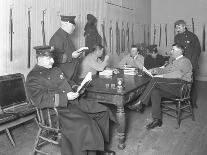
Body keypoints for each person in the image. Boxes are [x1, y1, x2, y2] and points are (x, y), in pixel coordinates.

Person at [26, 45, 116, 155]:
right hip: (55, 111)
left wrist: (77, 88)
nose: (53, 61)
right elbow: (40, 100)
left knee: (103, 111)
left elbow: (69, 83)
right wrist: (65, 97)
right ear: (39, 59)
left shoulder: (55, 70)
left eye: (52, 58)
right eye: (48, 59)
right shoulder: (33, 77)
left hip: (72, 103)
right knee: (86, 124)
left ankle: (99, 148)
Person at [128, 43, 193, 129]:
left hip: (182, 88)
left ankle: (140, 102)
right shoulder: (174, 61)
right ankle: (157, 119)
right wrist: (155, 70)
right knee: (155, 92)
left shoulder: (185, 61)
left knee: (155, 80)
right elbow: (164, 70)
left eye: (173, 50)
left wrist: (161, 76)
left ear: (179, 51)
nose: (171, 51)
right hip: (174, 86)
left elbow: (178, 74)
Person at [49, 15, 88, 82]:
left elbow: (67, 52)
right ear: (65, 24)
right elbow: (54, 57)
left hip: (70, 74)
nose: (74, 28)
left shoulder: (65, 36)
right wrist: (72, 56)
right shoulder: (58, 37)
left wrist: (76, 54)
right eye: (72, 26)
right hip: (63, 75)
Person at [174, 20, 201, 108]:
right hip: (180, 63)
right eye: (176, 28)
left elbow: (198, 51)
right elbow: (177, 51)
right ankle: (181, 100)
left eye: (179, 27)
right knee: (179, 82)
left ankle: (193, 102)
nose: (178, 30)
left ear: (184, 26)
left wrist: (191, 63)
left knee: (191, 83)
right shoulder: (177, 37)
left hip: (191, 63)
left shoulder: (192, 36)